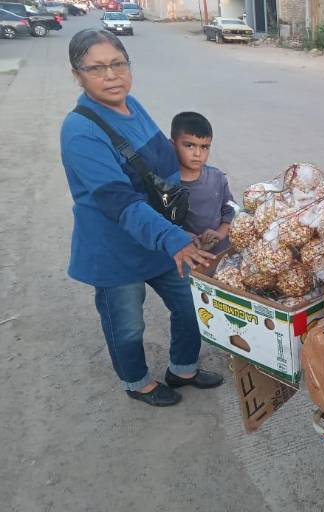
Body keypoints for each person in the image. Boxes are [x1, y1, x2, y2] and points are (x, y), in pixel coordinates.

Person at [60, 29, 223, 407]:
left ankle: (182, 368)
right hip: (116, 249)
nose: (111, 75)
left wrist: (207, 202)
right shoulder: (80, 130)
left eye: (118, 64)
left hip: (161, 238)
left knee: (190, 304)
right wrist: (173, 238)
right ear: (77, 74)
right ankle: (137, 382)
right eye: (97, 68)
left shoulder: (132, 106)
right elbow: (118, 201)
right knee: (127, 324)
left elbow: (163, 166)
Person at [170, 112, 235, 254]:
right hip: (187, 257)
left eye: (204, 147)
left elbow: (231, 210)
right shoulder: (167, 187)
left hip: (221, 254)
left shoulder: (217, 178)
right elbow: (162, 223)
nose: (198, 154)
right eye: (189, 146)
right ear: (173, 145)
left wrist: (220, 233)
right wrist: (184, 237)